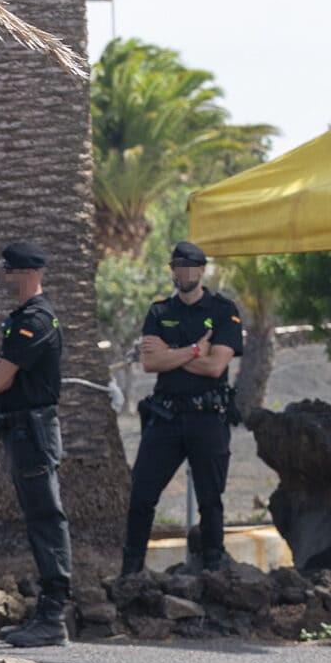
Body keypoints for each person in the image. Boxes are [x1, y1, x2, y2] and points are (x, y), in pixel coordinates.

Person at [122, 241, 245, 576]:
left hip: (207, 417)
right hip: (166, 417)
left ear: (202, 270)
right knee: (142, 495)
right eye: (178, 265)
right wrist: (192, 350)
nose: (184, 272)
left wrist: (171, 354)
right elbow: (150, 363)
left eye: (191, 266)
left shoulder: (222, 310)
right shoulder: (160, 311)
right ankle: (131, 572)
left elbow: (215, 368)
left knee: (210, 500)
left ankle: (213, 569)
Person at [0, 240, 73, 648]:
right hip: (23, 430)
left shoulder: (34, 320)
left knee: (45, 520)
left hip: (32, 431)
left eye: (9, 271)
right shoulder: (23, 318)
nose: (4, 277)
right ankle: (48, 614)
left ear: (28, 273)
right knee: (40, 519)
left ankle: (53, 617)